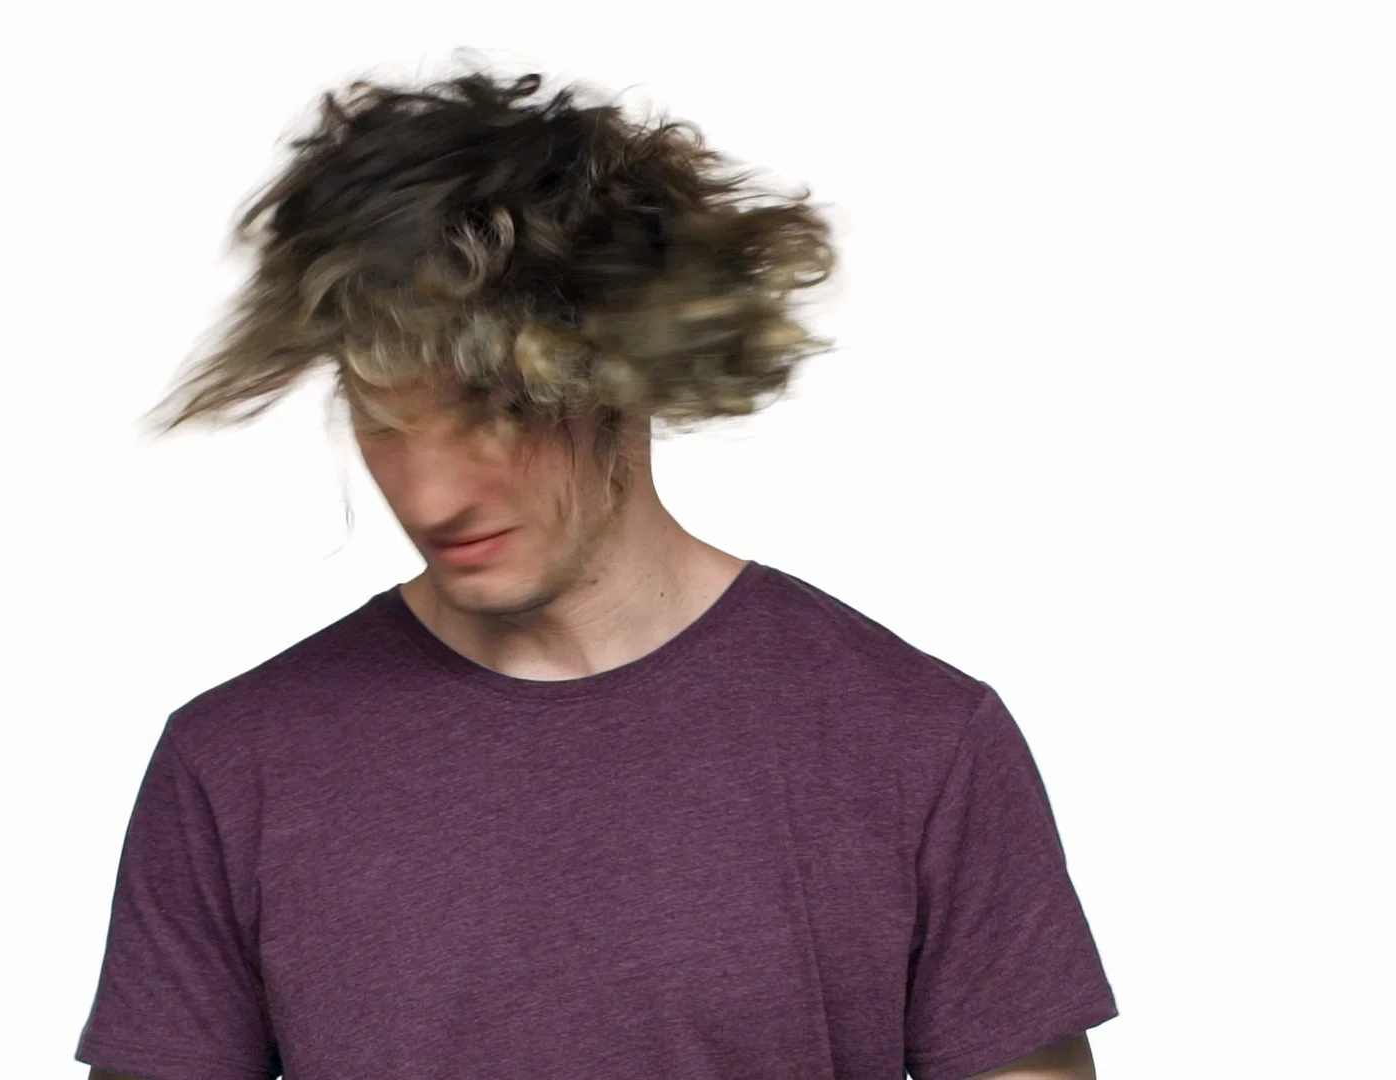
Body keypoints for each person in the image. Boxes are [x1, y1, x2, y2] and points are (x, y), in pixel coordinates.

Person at [75, 66, 1117, 1080]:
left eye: (493, 409)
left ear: (625, 373)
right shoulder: (236, 768)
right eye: (387, 418)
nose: (434, 495)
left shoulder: (916, 745)